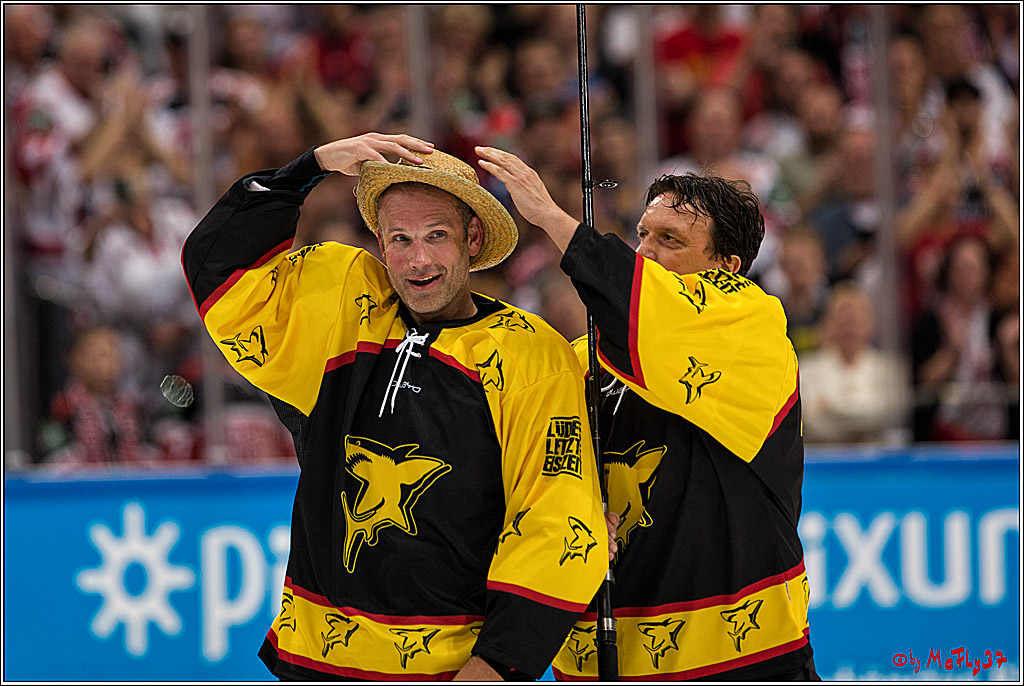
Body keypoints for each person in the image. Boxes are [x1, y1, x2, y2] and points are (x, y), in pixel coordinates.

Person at [181, 132, 607, 681]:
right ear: (379, 242)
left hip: (448, 671)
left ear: (473, 238)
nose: (418, 259)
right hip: (318, 659)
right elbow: (217, 268)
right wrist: (309, 166)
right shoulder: (344, 306)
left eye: (437, 235)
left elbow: (558, 517)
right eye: (399, 238)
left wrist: (500, 664)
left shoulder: (530, 353)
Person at [477, 145, 817, 680]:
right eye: (643, 235)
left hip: (741, 658)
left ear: (726, 267)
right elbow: (526, 476)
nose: (645, 253)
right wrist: (576, 507)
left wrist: (548, 215)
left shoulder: (753, 326)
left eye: (671, 240)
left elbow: (652, 316)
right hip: (609, 663)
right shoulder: (582, 360)